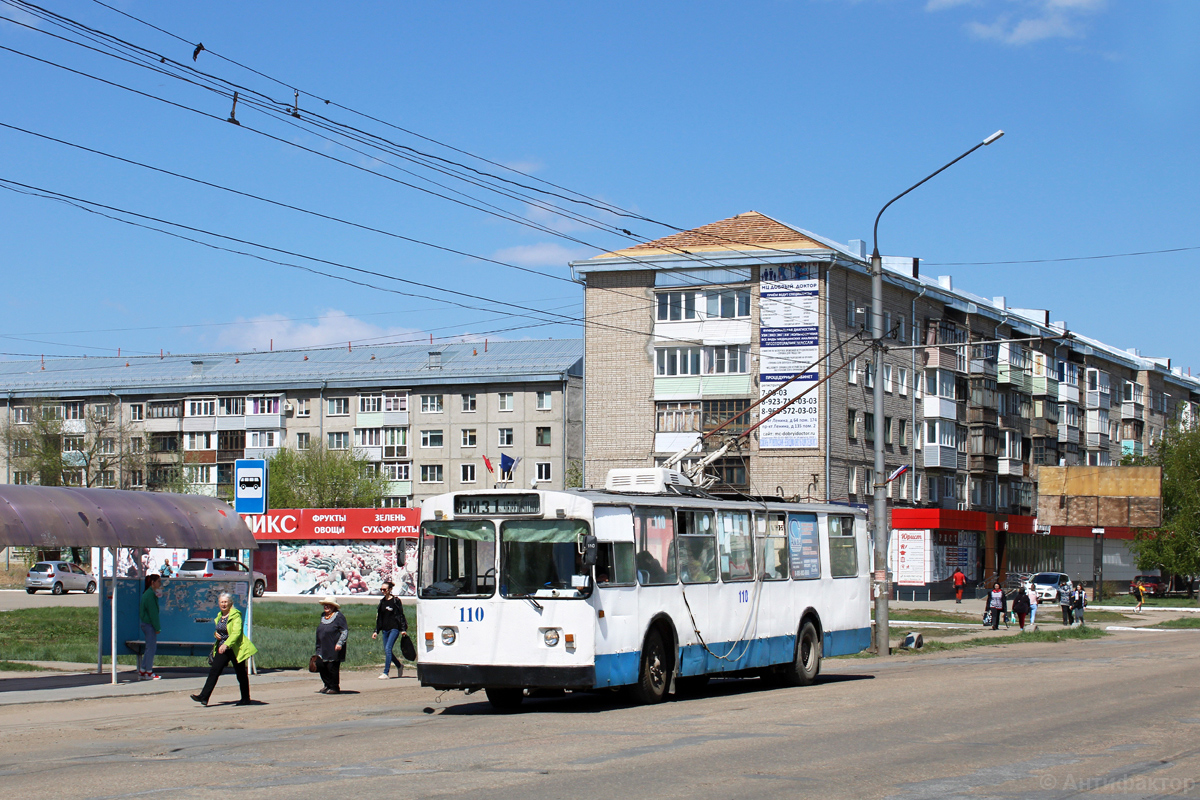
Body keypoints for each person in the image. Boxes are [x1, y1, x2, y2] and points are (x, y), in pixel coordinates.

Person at [191, 592, 257, 707]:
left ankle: (246, 698)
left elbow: (236, 633)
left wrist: (226, 644)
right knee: (214, 671)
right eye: (222, 602)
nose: (224, 604)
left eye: (226, 602)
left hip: (235, 648)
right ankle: (204, 697)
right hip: (222, 648)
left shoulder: (236, 615)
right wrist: (215, 634)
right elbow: (220, 631)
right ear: (219, 603)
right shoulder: (219, 616)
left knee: (240, 674)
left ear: (230, 602)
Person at [371, 581, 408, 679]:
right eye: (381, 589)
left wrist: (403, 629)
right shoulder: (382, 602)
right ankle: (399, 666)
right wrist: (376, 631)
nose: (383, 591)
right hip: (385, 630)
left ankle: (385, 672)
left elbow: (401, 616)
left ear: (390, 590)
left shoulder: (396, 601)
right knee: (388, 651)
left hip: (394, 629)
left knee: (388, 649)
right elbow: (379, 618)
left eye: (384, 589)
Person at [314, 596, 348, 693]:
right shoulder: (323, 616)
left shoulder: (339, 617)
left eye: (329, 605)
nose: (326, 606)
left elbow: (344, 631)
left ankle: (334, 687)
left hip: (334, 646)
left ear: (333, 606)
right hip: (322, 646)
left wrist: (340, 643)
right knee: (321, 665)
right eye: (325, 605)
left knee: (332, 667)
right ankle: (327, 684)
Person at [138, 575, 162, 680]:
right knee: (151, 648)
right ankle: (149, 672)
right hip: (149, 625)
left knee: (149, 648)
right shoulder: (150, 595)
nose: (159, 584)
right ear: (152, 582)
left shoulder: (148, 594)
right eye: (158, 581)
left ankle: (143, 670)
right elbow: (153, 613)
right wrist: (157, 628)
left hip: (146, 624)